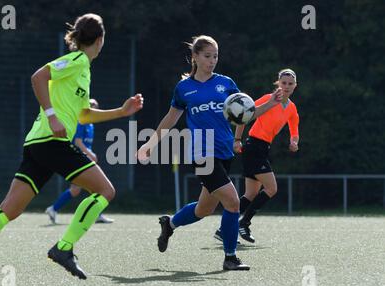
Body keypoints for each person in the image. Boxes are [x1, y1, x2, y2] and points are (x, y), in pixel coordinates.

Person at [0, 13, 143, 286]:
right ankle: (64, 248)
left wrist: (121, 112)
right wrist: (52, 116)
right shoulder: (77, 61)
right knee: (105, 191)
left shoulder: (83, 69)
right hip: (52, 141)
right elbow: (39, 76)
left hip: (40, 143)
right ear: (100, 40)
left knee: (9, 209)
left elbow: (83, 115)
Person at [137, 35, 282, 271]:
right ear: (194, 56)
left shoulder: (225, 83)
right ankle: (230, 257)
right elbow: (171, 119)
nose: (212, 60)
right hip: (201, 154)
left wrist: (271, 104)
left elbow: (246, 113)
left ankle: (170, 224)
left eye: (215, 56)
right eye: (207, 56)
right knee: (233, 202)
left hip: (225, 152)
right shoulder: (184, 88)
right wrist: (150, 143)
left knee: (204, 209)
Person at [214, 68, 299, 243]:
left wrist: (294, 141)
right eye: (284, 83)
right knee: (272, 188)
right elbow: (244, 114)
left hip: (262, 148)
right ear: (278, 83)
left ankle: (223, 229)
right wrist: (237, 139)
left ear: (295, 86)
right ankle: (243, 223)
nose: (287, 86)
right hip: (253, 146)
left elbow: (294, 129)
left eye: (290, 84)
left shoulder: (291, 108)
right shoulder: (269, 99)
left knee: (251, 194)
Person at [45, 98, 114, 224]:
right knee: (94, 188)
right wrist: (90, 154)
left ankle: (54, 209)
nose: (93, 108)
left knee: (81, 190)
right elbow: (78, 142)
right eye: (91, 105)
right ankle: (54, 209)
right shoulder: (81, 122)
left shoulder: (91, 124)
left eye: (95, 106)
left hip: (84, 158)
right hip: (79, 159)